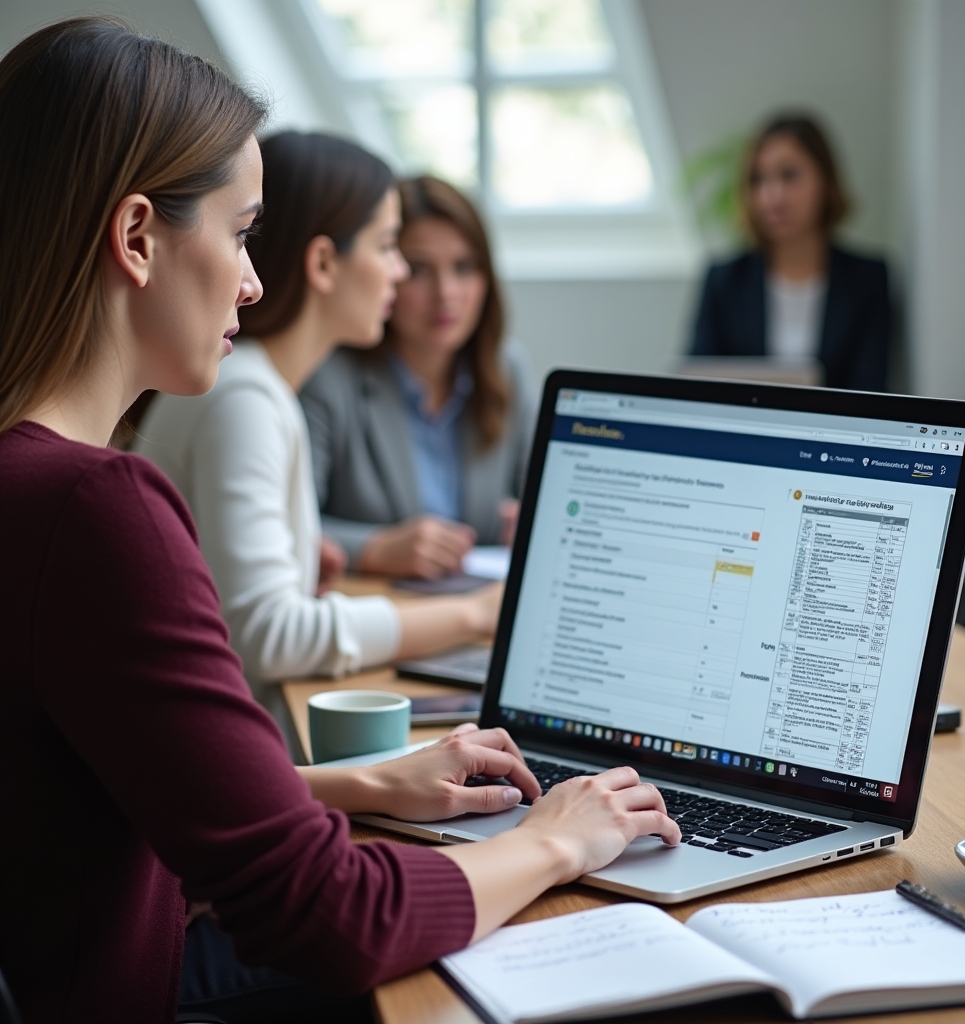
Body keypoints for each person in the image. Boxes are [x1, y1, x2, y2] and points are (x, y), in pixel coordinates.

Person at [0, 18, 680, 1024]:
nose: (253, 281)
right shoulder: (95, 508)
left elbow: (103, 799)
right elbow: (327, 915)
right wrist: (556, 838)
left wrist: (357, 781)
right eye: (239, 234)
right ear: (137, 237)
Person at [134, 139, 502, 729]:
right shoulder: (246, 398)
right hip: (231, 742)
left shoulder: (259, 388)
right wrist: (474, 616)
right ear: (324, 264)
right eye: (387, 247)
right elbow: (269, 636)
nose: (400, 272)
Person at [300, 175, 537, 579]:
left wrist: (532, 524)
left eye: (464, 268)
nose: (447, 293)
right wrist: (375, 549)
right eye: (420, 270)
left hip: (471, 615)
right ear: (389, 271)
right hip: (376, 614)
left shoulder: (506, 368)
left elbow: (532, 499)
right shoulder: (328, 377)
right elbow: (288, 528)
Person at [688, 113, 890, 391]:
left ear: (825, 181)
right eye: (758, 180)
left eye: (789, 175)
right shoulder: (724, 280)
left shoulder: (868, 279)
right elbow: (696, 382)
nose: (773, 196)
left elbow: (871, 390)